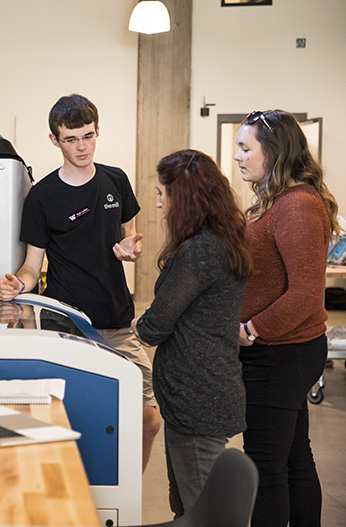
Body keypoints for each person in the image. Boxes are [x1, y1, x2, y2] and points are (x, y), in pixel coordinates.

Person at [0, 93, 161, 470]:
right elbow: (31, 266)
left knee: (148, 420)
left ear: (97, 131)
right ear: (55, 140)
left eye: (87, 136)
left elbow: (129, 237)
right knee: (74, 420)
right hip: (66, 325)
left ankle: (127, 499)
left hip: (119, 320)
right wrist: (15, 287)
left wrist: (130, 248)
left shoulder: (116, 179)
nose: (81, 146)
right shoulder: (41, 198)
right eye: (71, 139)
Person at [131, 150, 251, 517]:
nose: (157, 203)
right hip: (198, 396)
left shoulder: (202, 250)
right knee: (187, 507)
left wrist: (141, 324)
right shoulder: (218, 240)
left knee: (203, 513)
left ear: (182, 198)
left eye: (161, 193)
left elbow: (154, 325)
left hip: (199, 400)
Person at [234, 110, 338, 527]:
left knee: (265, 469)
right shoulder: (278, 200)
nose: (237, 157)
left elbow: (305, 294)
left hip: (280, 353)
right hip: (280, 351)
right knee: (293, 459)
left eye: (246, 148)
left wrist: (251, 330)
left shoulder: (296, 205)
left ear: (274, 151)